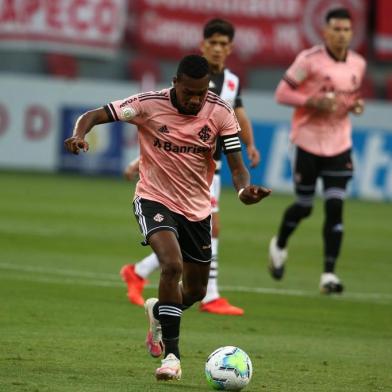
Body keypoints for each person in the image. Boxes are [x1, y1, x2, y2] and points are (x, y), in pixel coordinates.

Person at [64, 54, 271, 381]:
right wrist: (80, 134)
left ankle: (158, 311)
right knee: (170, 264)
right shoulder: (148, 104)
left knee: (195, 291)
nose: (194, 99)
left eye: (200, 93)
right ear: (175, 83)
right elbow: (95, 114)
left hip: (197, 208)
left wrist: (245, 191)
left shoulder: (219, 111)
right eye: (189, 92)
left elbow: (237, 165)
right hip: (153, 198)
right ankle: (172, 357)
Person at [121, 18, 261, 315]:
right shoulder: (191, 79)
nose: (219, 49)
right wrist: (139, 160)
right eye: (214, 43)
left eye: (224, 44)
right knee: (206, 229)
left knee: (196, 231)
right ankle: (209, 294)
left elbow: (239, 115)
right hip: (187, 169)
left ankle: (141, 272)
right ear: (203, 45)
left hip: (214, 166)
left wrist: (249, 145)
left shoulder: (232, 82)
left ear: (230, 48)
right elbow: (164, 126)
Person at [268, 7, 366, 294]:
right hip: (308, 141)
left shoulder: (357, 64)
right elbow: (282, 93)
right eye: (336, 29)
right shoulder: (309, 61)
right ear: (325, 32)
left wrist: (355, 105)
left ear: (351, 32)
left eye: (346, 29)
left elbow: (350, 97)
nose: (341, 34)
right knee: (305, 206)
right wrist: (313, 101)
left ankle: (328, 275)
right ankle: (280, 244)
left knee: (335, 207)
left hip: (339, 144)